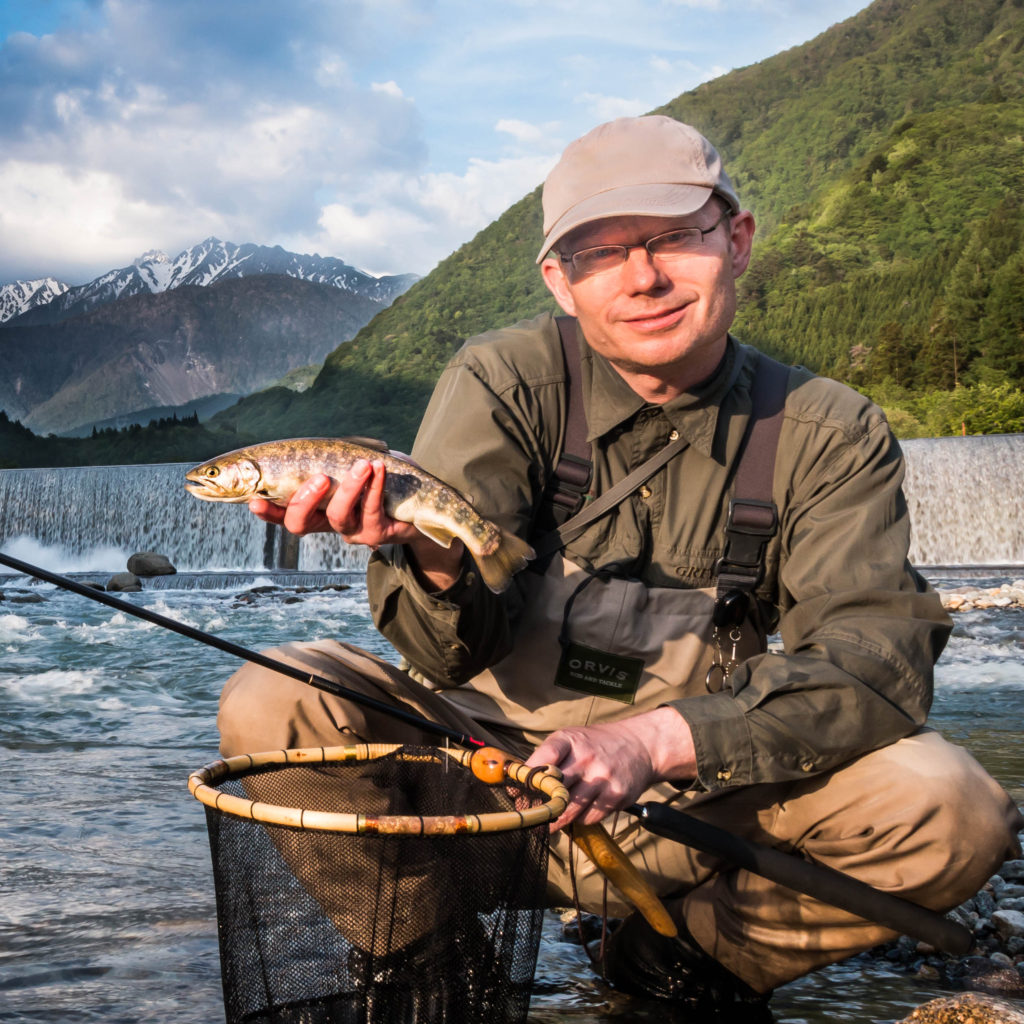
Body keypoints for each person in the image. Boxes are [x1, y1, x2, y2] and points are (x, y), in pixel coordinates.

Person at [219, 115, 1022, 1017]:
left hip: (697, 809)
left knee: (953, 808)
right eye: (600, 254)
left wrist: (656, 742)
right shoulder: (503, 381)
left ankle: (678, 961)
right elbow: (444, 660)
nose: (643, 278)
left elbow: (877, 665)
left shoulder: (830, 431)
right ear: (560, 281)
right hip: (484, 789)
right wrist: (433, 556)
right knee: (273, 698)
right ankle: (436, 959)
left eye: (676, 237)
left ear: (738, 241)